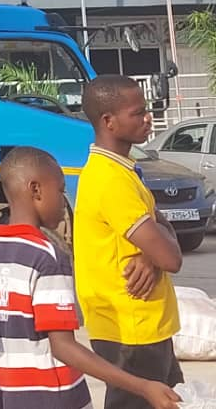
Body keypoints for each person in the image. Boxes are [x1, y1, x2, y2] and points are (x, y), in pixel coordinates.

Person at [0, 146, 180, 409]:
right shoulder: (48, 257)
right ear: (36, 190)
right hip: (55, 399)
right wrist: (142, 386)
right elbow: (63, 348)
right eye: (61, 189)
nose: (64, 200)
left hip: (5, 399)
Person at [74, 75, 184, 409]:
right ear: (108, 121)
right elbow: (172, 258)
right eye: (138, 113)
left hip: (143, 324)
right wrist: (158, 250)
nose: (148, 118)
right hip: (130, 329)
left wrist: (152, 252)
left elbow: (162, 241)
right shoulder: (110, 180)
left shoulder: (122, 171)